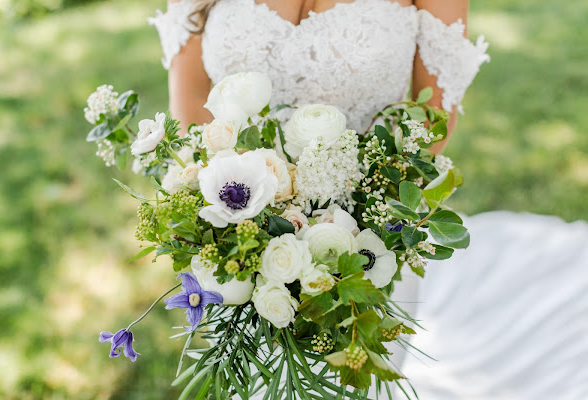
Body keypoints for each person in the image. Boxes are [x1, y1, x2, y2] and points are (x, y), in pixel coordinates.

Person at [149, 1, 588, 399]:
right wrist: (240, 218)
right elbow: (189, 102)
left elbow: (433, 119)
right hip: (233, 238)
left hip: (367, 246)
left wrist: (356, 219)